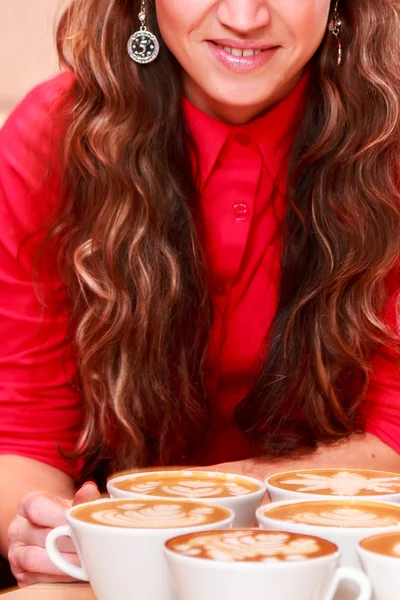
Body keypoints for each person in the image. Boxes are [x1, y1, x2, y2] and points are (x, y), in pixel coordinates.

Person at [1, 0, 400, 587]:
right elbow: (24, 433)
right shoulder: (50, 135)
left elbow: (392, 434)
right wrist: (47, 527)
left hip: (341, 564)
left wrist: (175, 516)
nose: (243, 16)